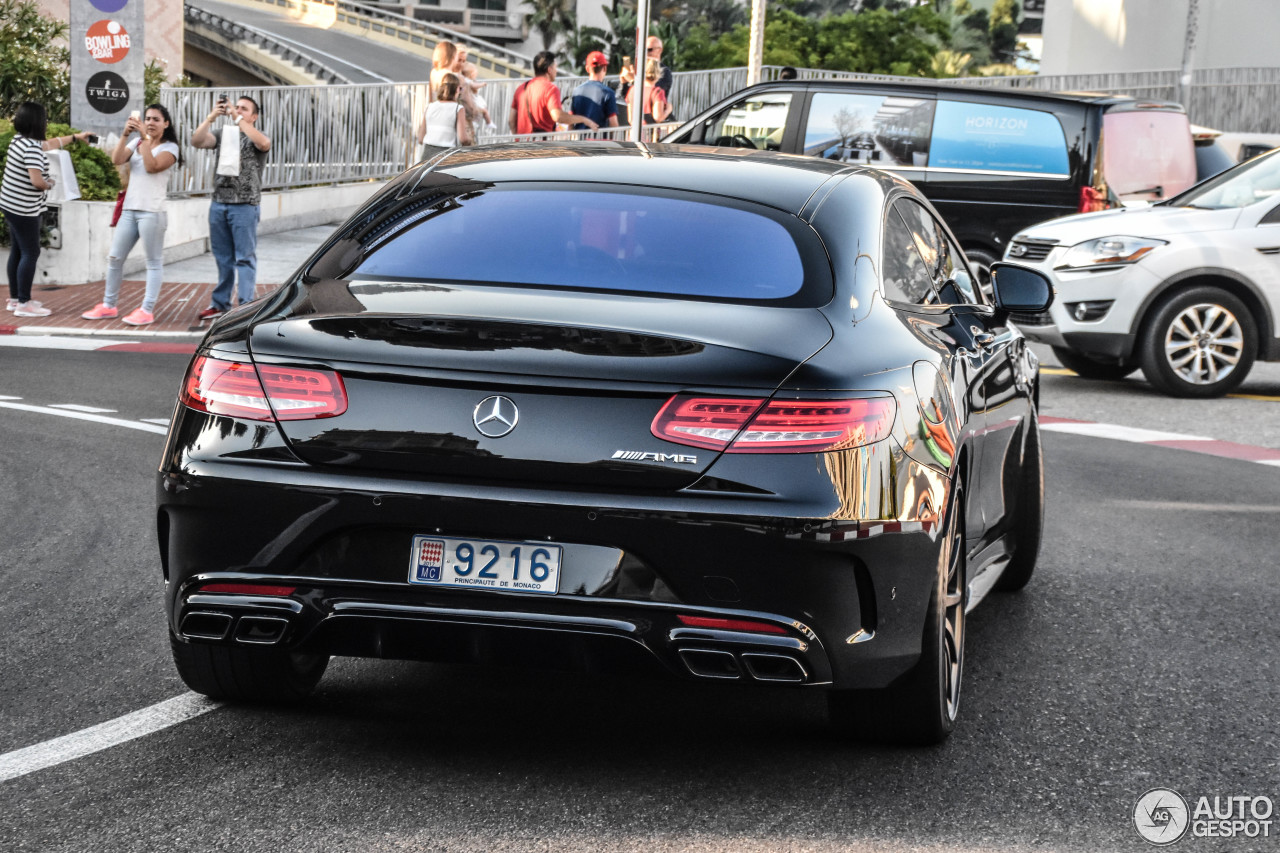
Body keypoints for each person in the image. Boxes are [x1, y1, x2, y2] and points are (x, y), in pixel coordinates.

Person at [81, 104, 182, 326]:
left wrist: (144, 137)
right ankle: (108, 306)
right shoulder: (136, 142)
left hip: (152, 212)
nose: (151, 123)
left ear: (166, 124)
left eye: (156, 119)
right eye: (147, 119)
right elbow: (117, 160)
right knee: (115, 258)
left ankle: (147, 310)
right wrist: (126, 134)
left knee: (153, 262)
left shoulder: (171, 148)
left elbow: (152, 166)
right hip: (130, 209)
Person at [1, 102, 90, 317]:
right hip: (24, 209)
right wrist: (50, 182)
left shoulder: (19, 141)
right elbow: (37, 182)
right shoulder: (31, 147)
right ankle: (24, 303)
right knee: (31, 252)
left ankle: (15, 300)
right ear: (38, 122)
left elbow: (48, 145)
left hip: (10, 205)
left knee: (18, 251)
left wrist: (75, 138)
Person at [190, 95, 271, 320]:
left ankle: (245, 307)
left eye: (244, 109)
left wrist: (238, 120)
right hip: (219, 203)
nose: (238, 110)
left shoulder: (257, 136)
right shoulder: (223, 134)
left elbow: (264, 144)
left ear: (254, 116)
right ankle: (220, 303)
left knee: (244, 257)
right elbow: (197, 141)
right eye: (236, 107)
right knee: (222, 257)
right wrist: (211, 117)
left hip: (245, 205)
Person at [509, 50, 598, 135]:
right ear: (549, 70)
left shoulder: (521, 88)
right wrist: (583, 119)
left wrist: (518, 138)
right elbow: (558, 117)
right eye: (556, 67)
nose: (557, 71)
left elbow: (511, 121)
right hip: (541, 146)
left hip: (521, 145)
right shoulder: (551, 89)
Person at [419, 72, 474, 153]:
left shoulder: (429, 107)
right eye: (460, 88)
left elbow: (420, 139)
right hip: (446, 154)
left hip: (427, 153)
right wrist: (470, 141)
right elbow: (463, 139)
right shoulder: (458, 109)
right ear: (457, 89)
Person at [569, 51, 619, 132]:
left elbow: (570, 121)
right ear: (605, 68)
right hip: (599, 142)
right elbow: (613, 123)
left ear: (587, 69)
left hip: (579, 141)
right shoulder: (608, 93)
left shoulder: (576, 91)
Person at [632, 57, 672, 124]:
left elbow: (631, 119)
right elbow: (658, 117)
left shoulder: (632, 90)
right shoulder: (657, 92)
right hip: (651, 131)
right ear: (658, 72)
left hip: (636, 131)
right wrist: (668, 110)